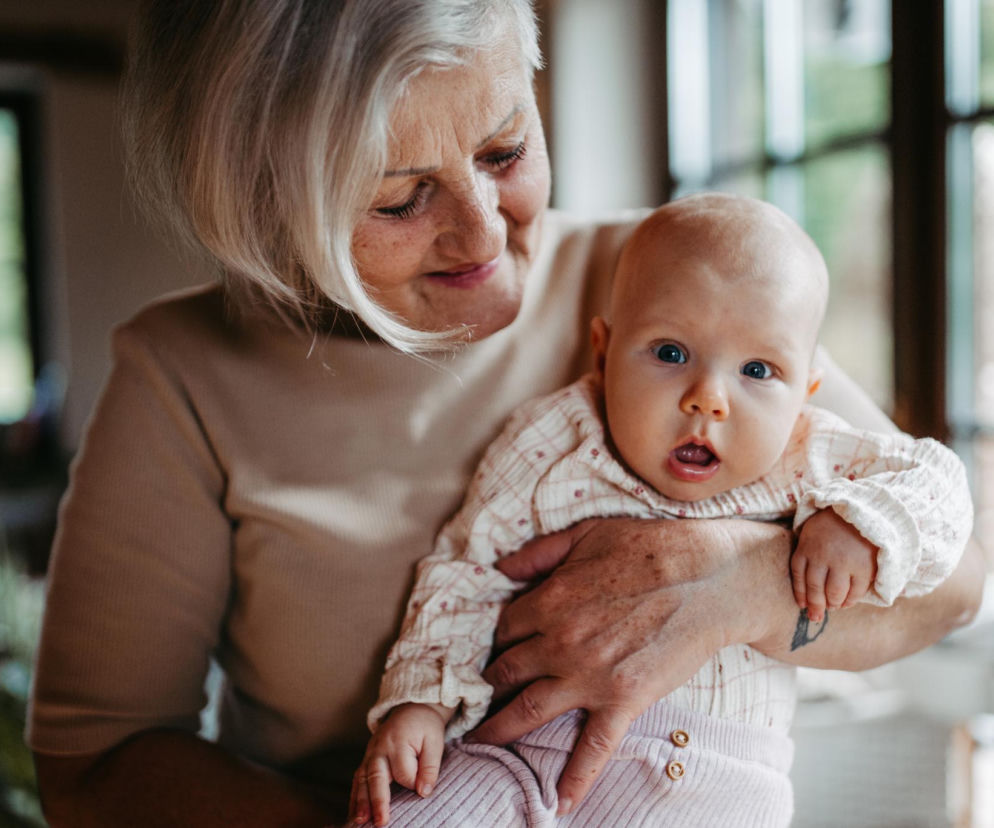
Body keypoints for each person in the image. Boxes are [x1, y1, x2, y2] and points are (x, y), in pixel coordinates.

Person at [26, 2, 983, 827]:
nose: (484, 233)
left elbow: (957, 578)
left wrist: (744, 586)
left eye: (505, 150)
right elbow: (95, 763)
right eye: (401, 199)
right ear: (270, 206)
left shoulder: (673, 284)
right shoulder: (181, 373)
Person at [349, 194, 973, 827]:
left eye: (758, 370)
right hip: (519, 759)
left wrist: (862, 522)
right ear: (604, 352)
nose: (708, 399)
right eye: (671, 354)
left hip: (720, 793)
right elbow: (465, 572)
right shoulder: (553, 439)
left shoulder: (811, 453)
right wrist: (422, 702)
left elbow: (939, 481)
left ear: (806, 391)